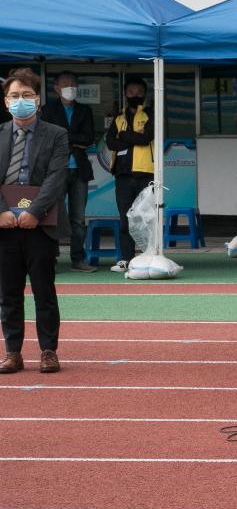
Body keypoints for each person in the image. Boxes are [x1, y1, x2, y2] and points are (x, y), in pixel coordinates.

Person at [0, 69, 69, 374]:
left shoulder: (56, 134)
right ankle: (13, 352)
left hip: (40, 224)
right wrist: (1, 211)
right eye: (15, 96)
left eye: (27, 95)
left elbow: (56, 179)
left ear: (38, 99)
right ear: (5, 101)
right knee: (8, 292)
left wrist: (34, 212)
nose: (21, 101)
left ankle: (48, 351)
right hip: (3, 227)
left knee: (44, 290)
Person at [40, 71, 95, 272]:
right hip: (55, 170)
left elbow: (88, 138)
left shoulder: (84, 110)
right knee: (52, 214)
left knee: (78, 218)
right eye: (66, 84)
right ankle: (51, 258)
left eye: (73, 83)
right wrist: (74, 140)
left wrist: (64, 137)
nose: (70, 87)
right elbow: (47, 138)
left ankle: (78, 259)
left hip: (79, 169)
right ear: (56, 88)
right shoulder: (48, 110)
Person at [104, 78, 154, 272]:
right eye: (131, 92)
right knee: (126, 217)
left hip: (145, 172)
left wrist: (124, 136)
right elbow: (110, 142)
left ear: (145, 94)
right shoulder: (119, 118)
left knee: (146, 217)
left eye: (139, 92)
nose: (135, 95)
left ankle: (149, 256)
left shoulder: (151, 114)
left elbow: (146, 138)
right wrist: (131, 138)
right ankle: (126, 258)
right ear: (125, 95)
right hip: (123, 174)